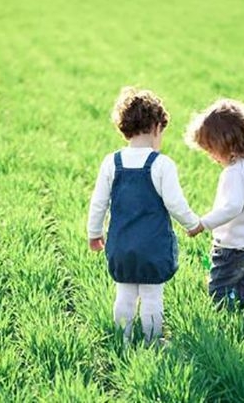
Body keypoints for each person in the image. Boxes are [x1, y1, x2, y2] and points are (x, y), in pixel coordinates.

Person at [87, 87, 200, 346]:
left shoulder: (111, 162)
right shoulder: (161, 164)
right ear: (156, 128)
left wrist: (94, 233)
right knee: (152, 296)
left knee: (124, 295)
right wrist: (192, 224)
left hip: (121, 244)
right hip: (152, 247)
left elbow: (98, 202)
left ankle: (122, 340)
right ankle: (152, 341)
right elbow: (175, 203)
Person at [186, 98, 244, 326]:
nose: (211, 157)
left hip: (233, 248)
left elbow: (231, 208)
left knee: (219, 288)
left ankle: (223, 326)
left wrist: (202, 223)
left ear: (226, 144)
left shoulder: (235, 172)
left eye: (212, 151)